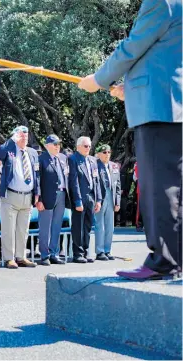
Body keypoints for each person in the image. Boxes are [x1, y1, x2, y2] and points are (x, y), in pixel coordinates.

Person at [78, 0, 182, 279]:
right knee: (174, 187)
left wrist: (99, 79)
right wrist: (133, 87)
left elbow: (133, 46)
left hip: (159, 108)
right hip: (171, 102)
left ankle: (165, 261)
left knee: (160, 188)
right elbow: (167, 55)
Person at [0, 126, 40, 269]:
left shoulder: (32, 152)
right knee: (9, 228)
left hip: (27, 196)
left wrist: (37, 192)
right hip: (11, 195)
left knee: (23, 229)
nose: (24, 137)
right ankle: (9, 258)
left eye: (26, 135)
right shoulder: (9, 150)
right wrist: (12, 140)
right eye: (21, 135)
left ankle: (21, 256)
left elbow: (36, 174)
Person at [36, 134, 70, 265]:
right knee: (45, 227)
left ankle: (54, 253)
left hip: (61, 195)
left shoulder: (63, 158)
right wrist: (39, 199)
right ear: (47, 145)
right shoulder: (41, 159)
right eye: (55, 144)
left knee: (56, 226)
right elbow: (38, 180)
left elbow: (66, 175)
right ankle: (44, 255)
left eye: (59, 144)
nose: (57, 146)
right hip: (46, 197)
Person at [69, 136, 102, 263]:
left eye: (89, 146)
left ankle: (86, 251)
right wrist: (77, 201)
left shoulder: (93, 160)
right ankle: (78, 253)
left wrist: (98, 200)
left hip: (91, 198)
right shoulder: (73, 159)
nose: (88, 148)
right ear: (78, 147)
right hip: (80, 198)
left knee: (88, 226)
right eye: (85, 146)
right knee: (78, 227)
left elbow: (96, 181)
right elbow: (74, 182)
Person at [94, 145, 121, 261]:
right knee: (100, 225)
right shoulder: (95, 165)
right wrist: (97, 200)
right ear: (99, 154)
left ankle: (107, 250)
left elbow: (118, 185)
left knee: (110, 226)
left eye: (109, 152)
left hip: (111, 196)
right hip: (100, 197)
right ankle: (100, 252)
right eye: (104, 152)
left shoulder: (114, 166)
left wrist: (117, 202)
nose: (107, 154)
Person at [133, 161, 144, 232]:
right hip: (142, 189)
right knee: (140, 208)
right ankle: (139, 224)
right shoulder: (138, 163)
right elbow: (136, 176)